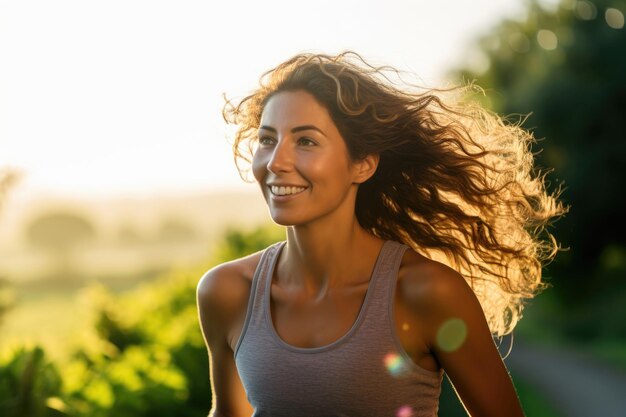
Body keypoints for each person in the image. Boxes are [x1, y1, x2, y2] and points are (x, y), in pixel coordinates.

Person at [196, 51, 566, 417]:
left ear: (362, 164)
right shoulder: (227, 292)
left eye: (305, 141)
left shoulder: (427, 292)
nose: (276, 161)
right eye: (267, 140)